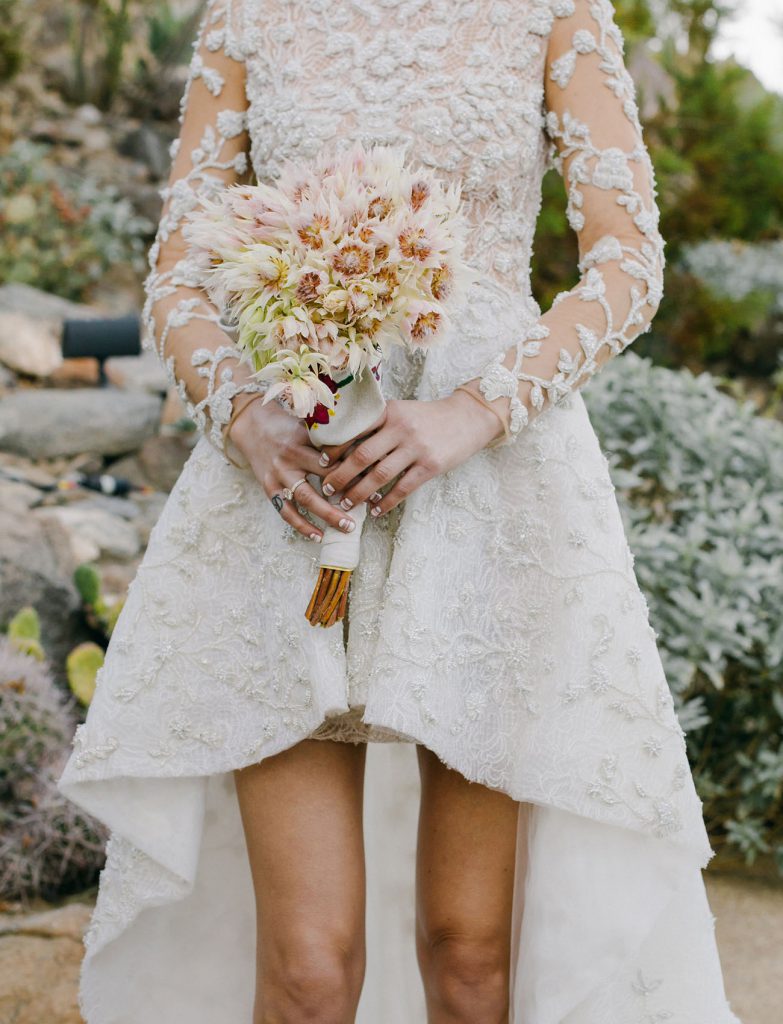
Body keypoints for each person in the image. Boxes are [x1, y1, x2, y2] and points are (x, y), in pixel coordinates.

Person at [58, 1, 742, 1021]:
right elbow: (179, 274)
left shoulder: (554, 11)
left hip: (487, 487)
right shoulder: (247, 15)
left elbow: (627, 259)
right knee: (308, 968)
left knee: (469, 957)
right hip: (291, 482)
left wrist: (474, 410)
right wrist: (243, 416)